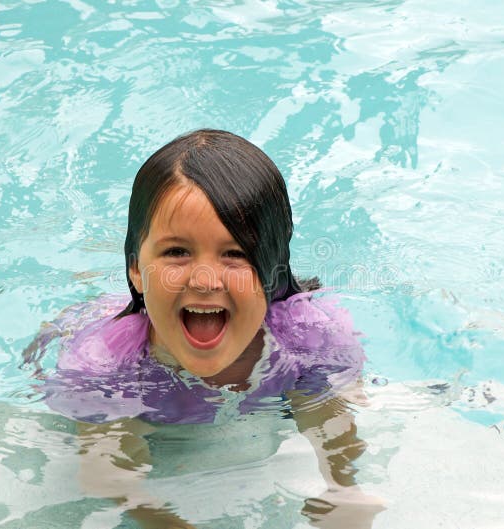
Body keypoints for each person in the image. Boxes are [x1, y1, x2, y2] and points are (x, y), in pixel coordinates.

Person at [23, 129, 385, 528]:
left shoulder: (310, 340)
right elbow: (109, 478)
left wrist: (343, 490)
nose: (205, 279)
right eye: (177, 252)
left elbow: (330, 422)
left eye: (235, 254)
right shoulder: (105, 369)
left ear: (272, 271)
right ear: (134, 269)